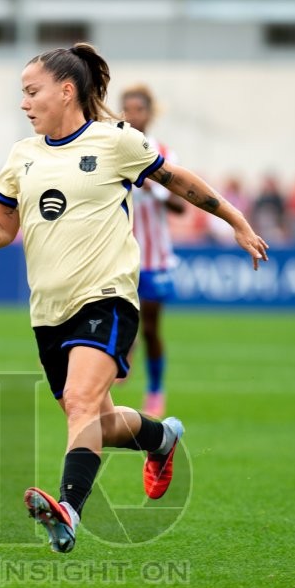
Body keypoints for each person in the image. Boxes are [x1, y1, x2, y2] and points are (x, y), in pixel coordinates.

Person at [0, 43, 268, 554]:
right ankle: (162, 439)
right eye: (22, 94)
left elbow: (177, 180)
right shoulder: (21, 156)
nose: (24, 103)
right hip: (48, 312)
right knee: (94, 419)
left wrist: (236, 220)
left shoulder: (116, 141)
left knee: (79, 403)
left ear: (67, 90)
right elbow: (0, 229)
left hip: (108, 297)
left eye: (32, 92)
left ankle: (69, 510)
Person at [120, 85, 186, 418]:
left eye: (138, 110)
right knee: (117, 317)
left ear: (149, 114)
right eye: (127, 109)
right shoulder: (112, 150)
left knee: (151, 328)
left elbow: (180, 205)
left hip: (155, 257)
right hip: (117, 255)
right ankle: (121, 357)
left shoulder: (163, 153)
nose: (132, 116)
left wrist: (155, 188)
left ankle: (156, 389)